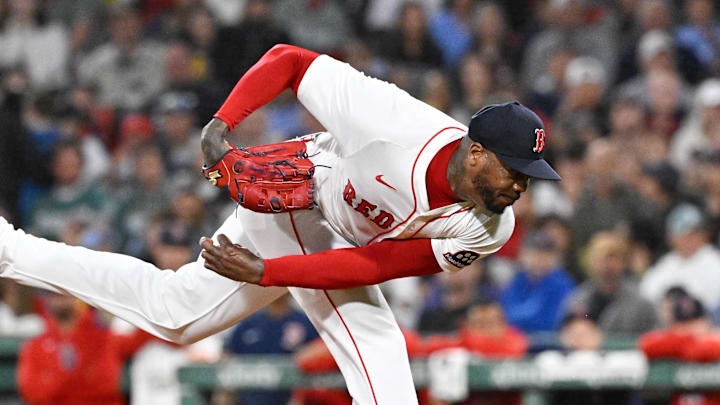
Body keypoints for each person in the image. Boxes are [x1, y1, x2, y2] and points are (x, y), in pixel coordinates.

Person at [0, 44, 560, 404]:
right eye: (514, 170)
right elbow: (289, 60)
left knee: (175, 316)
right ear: (478, 152)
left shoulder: (493, 227)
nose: (520, 186)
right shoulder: (389, 121)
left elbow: (376, 263)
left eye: (530, 175)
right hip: (299, 191)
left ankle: (11, 252)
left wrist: (268, 273)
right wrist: (223, 121)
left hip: (338, 241)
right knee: (376, 342)